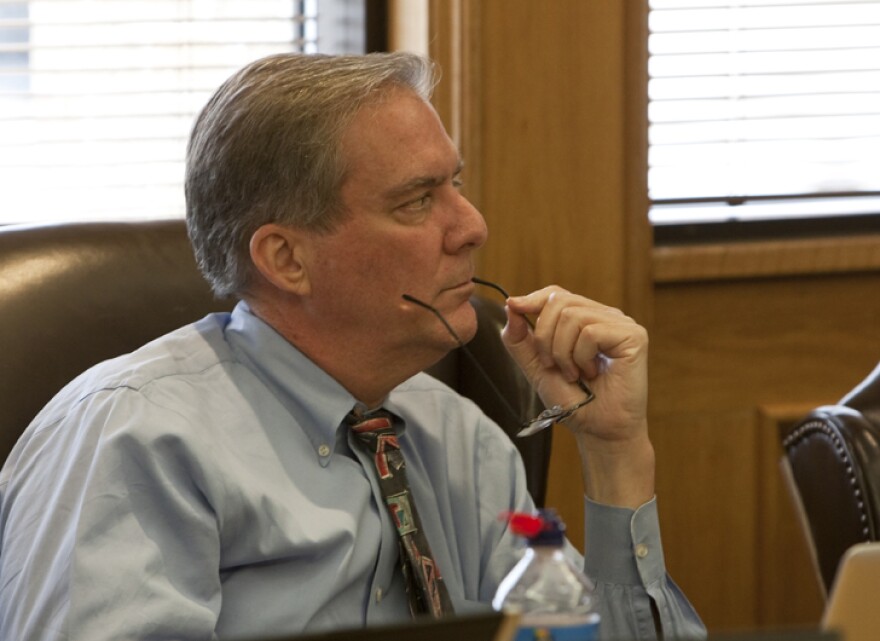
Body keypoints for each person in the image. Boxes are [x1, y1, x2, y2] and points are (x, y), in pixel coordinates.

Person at [0, 52, 705, 640]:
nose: (473, 226)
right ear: (287, 259)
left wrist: (615, 454)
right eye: (417, 201)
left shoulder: (463, 443)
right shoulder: (135, 438)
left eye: (455, 185)